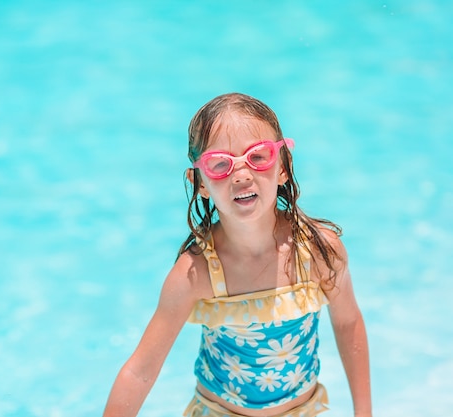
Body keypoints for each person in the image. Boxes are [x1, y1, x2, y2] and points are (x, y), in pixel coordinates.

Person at [102, 93, 371, 417]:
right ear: (199, 182)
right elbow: (140, 371)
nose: (242, 175)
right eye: (220, 164)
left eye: (258, 157)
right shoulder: (195, 273)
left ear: (283, 166)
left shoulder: (317, 251)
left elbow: (348, 323)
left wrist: (364, 413)